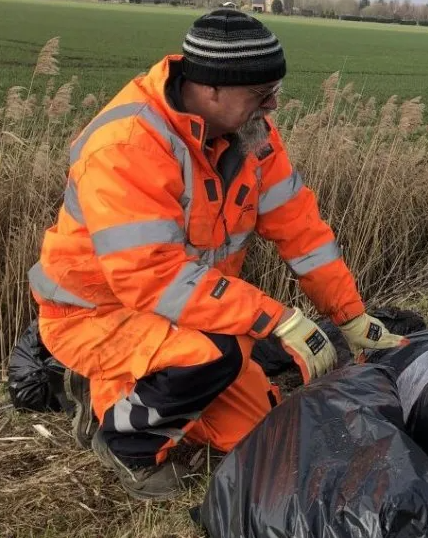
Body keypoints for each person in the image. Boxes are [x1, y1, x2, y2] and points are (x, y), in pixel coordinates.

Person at [28, 9, 407, 501]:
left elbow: (302, 231)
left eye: (274, 91)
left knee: (258, 430)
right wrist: (277, 320)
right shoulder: (128, 146)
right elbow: (151, 279)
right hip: (97, 316)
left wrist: (351, 316)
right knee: (217, 353)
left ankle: (124, 389)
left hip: (188, 309)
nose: (272, 106)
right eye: (260, 94)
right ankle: (126, 441)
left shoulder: (252, 136)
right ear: (211, 89)